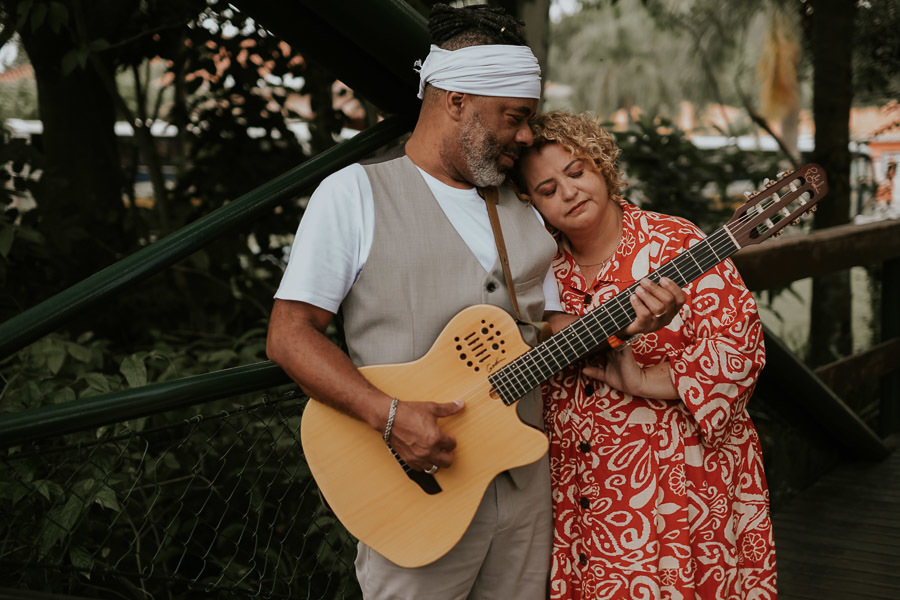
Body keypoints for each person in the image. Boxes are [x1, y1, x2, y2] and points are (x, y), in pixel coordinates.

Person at [266, 6, 682, 599]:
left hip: (524, 492)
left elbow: (545, 332)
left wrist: (626, 325)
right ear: (456, 99)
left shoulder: (525, 212)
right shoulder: (354, 193)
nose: (524, 136)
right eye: (514, 117)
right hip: (412, 491)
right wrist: (386, 416)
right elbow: (289, 335)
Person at [511, 111, 776, 599]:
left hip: (678, 480)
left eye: (577, 172)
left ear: (603, 167)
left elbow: (739, 349)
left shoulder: (676, 243)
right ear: (531, 203)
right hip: (579, 481)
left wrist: (644, 380)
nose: (568, 193)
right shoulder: (535, 267)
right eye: (547, 190)